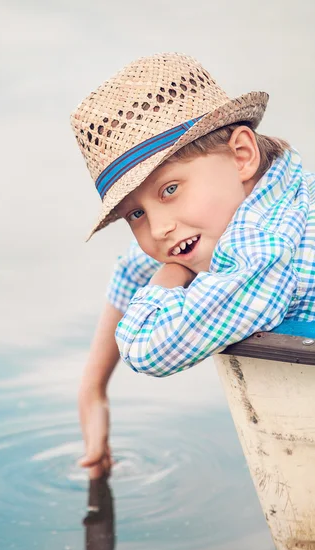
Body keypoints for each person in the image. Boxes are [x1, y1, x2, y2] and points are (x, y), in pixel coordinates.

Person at [70, 53, 315, 480]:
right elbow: (132, 269)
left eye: (169, 189)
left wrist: (170, 272)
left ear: (241, 155)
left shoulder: (264, 247)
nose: (160, 229)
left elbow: (150, 346)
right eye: (135, 215)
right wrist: (92, 391)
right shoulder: (274, 190)